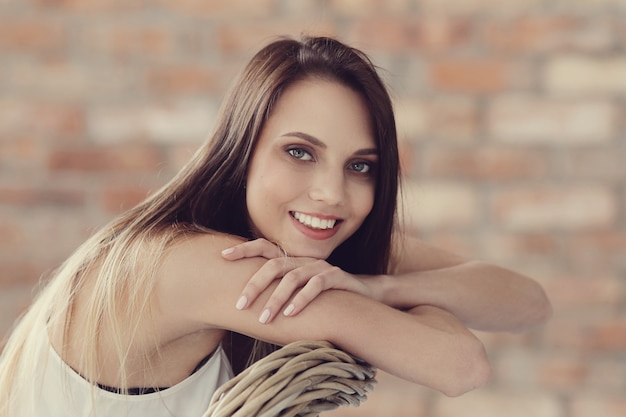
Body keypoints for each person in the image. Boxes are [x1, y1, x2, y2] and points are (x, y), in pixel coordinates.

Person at [0, 35, 551, 417]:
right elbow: (459, 364)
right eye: (299, 152)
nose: (332, 194)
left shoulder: (307, 241)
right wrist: (425, 306)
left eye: (361, 166)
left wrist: (385, 287)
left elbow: (527, 302)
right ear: (241, 153)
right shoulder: (201, 263)